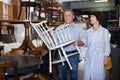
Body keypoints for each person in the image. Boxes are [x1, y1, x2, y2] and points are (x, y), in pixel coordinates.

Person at [74, 11, 111, 80]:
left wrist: (105, 58)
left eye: (92, 17)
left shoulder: (104, 31)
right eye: (90, 17)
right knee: (87, 75)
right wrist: (78, 43)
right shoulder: (88, 31)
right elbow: (84, 42)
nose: (90, 18)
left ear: (98, 19)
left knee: (98, 75)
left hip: (99, 56)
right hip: (89, 56)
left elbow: (107, 46)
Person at [56, 9, 85, 80]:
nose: (67, 17)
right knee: (62, 76)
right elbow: (55, 43)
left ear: (73, 17)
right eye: (65, 15)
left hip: (74, 55)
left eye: (69, 15)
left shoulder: (79, 28)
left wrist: (78, 42)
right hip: (61, 55)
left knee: (73, 76)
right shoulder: (59, 29)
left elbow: (84, 41)